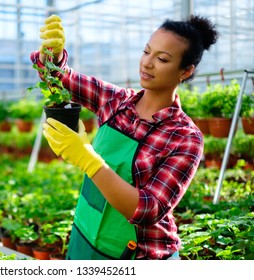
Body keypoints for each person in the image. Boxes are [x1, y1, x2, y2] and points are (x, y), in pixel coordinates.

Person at [31, 14, 219, 260]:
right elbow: (60, 77)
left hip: (139, 255)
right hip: (84, 238)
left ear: (186, 71)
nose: (147, 63)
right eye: (146, 51)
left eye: (162, 59)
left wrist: (88, 160)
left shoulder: (184, 137)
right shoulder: (116, 102)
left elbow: (148, 209)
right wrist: (52, 55)